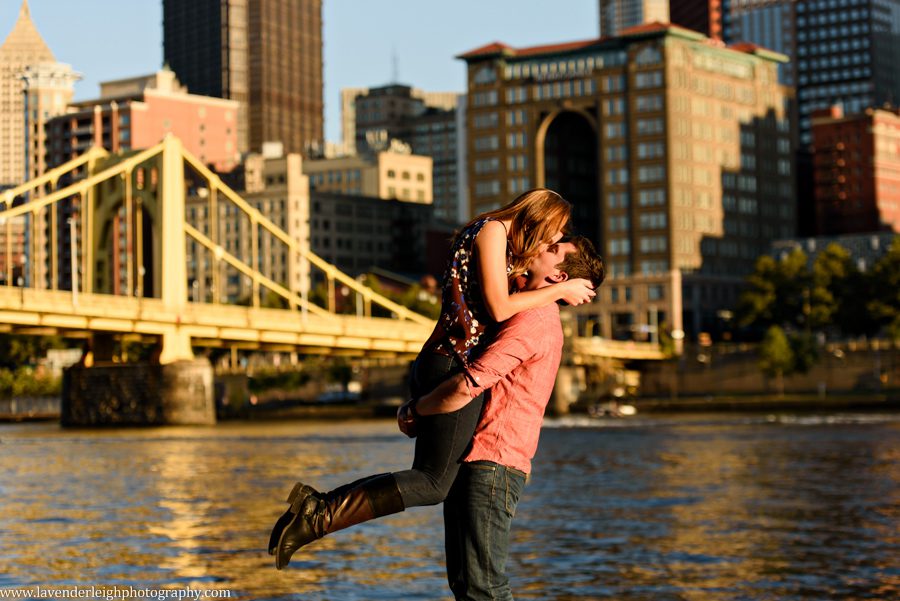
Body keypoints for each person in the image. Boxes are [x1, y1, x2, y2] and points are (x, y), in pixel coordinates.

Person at [269, 189, 596, 570]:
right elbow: (499, 307)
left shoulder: (507, 246)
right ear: (538, 216)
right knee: (433, 482)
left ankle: (316, 510)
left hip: (448, 360)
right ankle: (317, 513)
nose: (551, 240)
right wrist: (561, 289)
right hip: (452, 362)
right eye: (553, 232)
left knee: (432, 480)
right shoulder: (493, 231)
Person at [409, 235, 605, 601]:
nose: (542, 244)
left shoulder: (533, 320)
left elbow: (471, 384)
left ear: (558, 276)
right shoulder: (523, 303)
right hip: (482, 462)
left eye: (551, 250)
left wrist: (415, 411)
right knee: (469, 586)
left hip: (493, 466)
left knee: (484, 589)